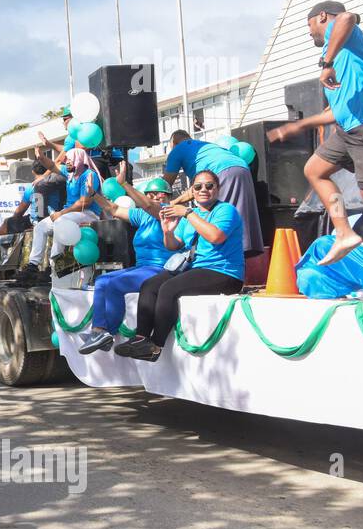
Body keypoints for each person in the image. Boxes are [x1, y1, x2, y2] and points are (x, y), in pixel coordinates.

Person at [268, 1, 363, 268]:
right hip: (349, 128)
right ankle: (344, 233)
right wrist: (298, 126)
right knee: (315, 169)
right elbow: (335, 111)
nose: (309, 32)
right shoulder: (341, 54)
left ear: (321, 16)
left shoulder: (340, 32)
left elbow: (347, 17)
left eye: (309, 25)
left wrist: (327, 62)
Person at [116, 170, 245, 362]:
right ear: (192, 190)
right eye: (198, 186)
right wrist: (167, 233)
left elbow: (215, 236)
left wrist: (187, 212)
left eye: (209, 186)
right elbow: (174, 245)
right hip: (197, 269)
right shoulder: (191, 216)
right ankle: (141, 339)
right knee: (150, 285)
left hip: (224, 272)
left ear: (217, 189)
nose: (204, 190)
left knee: (168, 288)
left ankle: (155, 346)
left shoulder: (225, 210)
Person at [77, 176, 174, 354]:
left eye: (161, 193)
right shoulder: (143, 215)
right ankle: (98, 331)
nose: (156, 196)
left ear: (169, 196)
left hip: (162, 268)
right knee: (102, 280)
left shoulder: (171, 212)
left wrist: (123, 184)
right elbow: (112, 208)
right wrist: (93, 194)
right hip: (142, 267)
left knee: (115, 284)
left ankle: (108, 332)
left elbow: (150, 206)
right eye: (150, 193)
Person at [163, 129, 263, 257]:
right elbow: (197, 190)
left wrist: (162, 203)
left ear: (174, 143)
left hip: (221, 173)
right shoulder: (205, 146)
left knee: (218, 217)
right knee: (239, 219)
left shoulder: (178, 149)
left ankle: (218, 259)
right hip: (243, 168)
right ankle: (245, 255)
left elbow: (165, 185)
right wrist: (175, 202)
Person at [18, 147, 102, 284]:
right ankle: (33, 265)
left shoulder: (89, 175)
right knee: (40, 227)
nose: (66, 162)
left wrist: (61, 213)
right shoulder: (70, 173)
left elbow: (85, 202)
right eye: (66, 159)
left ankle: (54, 266)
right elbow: (52, 165)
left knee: (60, 222)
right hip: (70, 214)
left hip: (87, 213)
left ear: (79, 160)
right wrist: (41, 158)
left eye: (69, 160)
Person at [0, 161, 66, 236]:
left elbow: (20, 211)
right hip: (56, 218)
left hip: (38, 221)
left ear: (33, 172)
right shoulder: (58, 184)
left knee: (8, 222)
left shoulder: (33, 187)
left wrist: (14, 221)